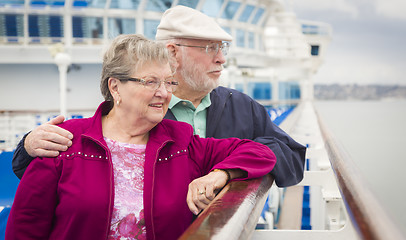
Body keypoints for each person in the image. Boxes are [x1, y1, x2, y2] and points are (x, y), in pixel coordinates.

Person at [6, 34, 276, 240]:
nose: (164, 92)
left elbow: (259, 153)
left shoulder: (180, 142)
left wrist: (219, 175)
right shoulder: (65, 143)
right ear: (115, 87)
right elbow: (26, 226)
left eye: (168, 82)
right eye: (150, 82)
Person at [12, 6, 305, 187]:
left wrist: (228, 172)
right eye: (210, 48)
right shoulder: (138, 109)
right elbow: (56, 165)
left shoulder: (242, 107)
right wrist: (28, 145)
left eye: (222, 49)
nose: (221, 60)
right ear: (173, 53)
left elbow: (292, 160)